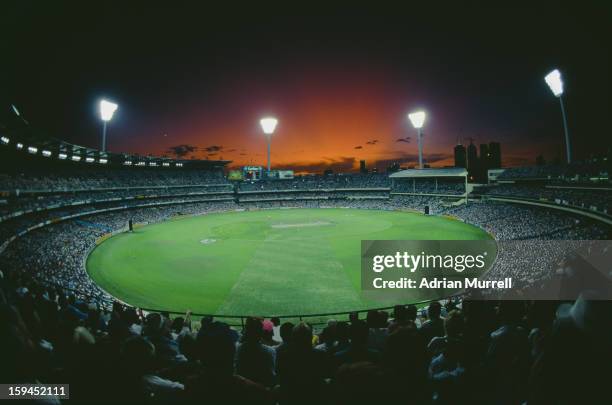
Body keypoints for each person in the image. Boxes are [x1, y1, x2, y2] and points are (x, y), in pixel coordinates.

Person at [235, 317, 276, 387]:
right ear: (261, 333)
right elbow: (271, 378)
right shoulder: (270, 351)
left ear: (246, 331)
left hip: (241, 390)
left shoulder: (236, 349)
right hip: (262, 392)